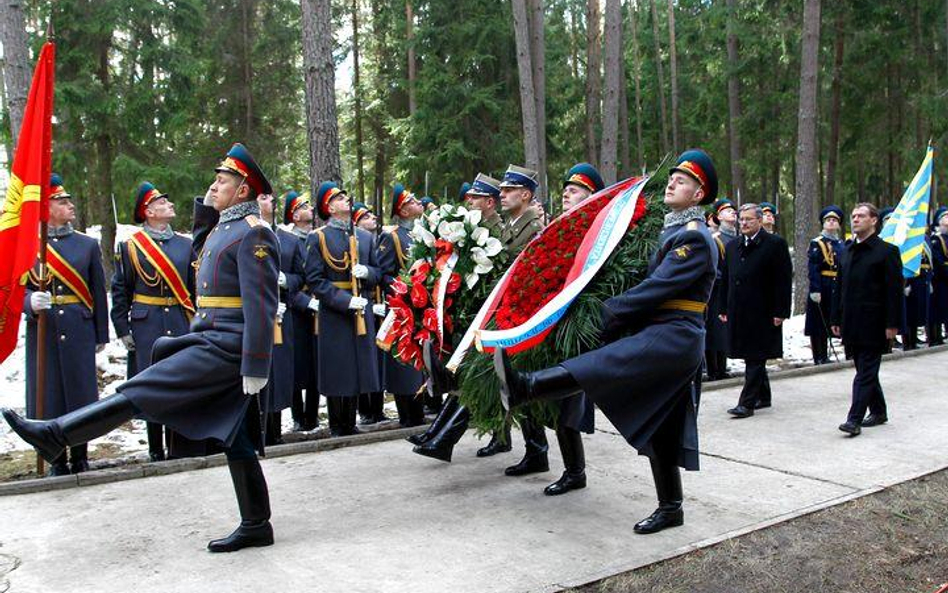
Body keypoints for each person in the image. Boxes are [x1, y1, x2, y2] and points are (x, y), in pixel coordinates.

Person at [4, 143, 280, 552]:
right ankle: (257, 523)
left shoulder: (254, 232)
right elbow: (198, 254)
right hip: (208, 337)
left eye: (222, 182)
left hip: (228, 345)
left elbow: (261, 304)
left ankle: (57, 434)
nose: (213, 186)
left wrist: (256, 364)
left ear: (242, 190)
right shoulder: (225, 228)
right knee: (236, 437)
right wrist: (206, 209)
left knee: (143, 388)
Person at [493, 149, 719, 534]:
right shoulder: (671, 230)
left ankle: (527, 387)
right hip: (660, 329)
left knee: (602, 365)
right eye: (671, 178)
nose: (671, 184)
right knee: (663, 424)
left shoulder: (694, 238)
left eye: (681, 181)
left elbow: (657, 287)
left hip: (676, 334)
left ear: (698, 195)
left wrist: (606, 313)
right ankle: (671, 507)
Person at [411, 173, 504, 461]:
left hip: (493, 313)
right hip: (474, 312)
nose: (470, 201)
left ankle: (444, 439)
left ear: (489, 202)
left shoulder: (495, 230)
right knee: (468, 374)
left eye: (476, 197)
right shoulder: (475, 227)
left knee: (478, 377)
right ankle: (438, 435)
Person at [20, 174, 109, 476]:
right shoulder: (27, 246)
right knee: (49, 396)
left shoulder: (87, 245)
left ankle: (80, 455)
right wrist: (29, 302)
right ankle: (56, 459)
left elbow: (97, 291)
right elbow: (12, 289)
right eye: (62, 201)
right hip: (42, 329)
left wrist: (101, 333)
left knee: (80, 394)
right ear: (45, 207)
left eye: (69, 200)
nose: (70, 205)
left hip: (79, 328)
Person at [111, 181, 203, 461]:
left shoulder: (185, 245)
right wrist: (123, 329)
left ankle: (180, 444)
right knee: (151, 385)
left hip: (180, 320)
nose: (170, 204)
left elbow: (194, 289)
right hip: (147, 324)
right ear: (148, 212)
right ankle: (155, 448)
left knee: (181, 383)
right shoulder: (130, 247)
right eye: (162, 202)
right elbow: (121, 291)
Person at [305, 182, 382, 437]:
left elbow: (378, 272)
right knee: (338, 368)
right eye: (338, 198)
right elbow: (315, 280)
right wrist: (344, 300)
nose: (345, 200)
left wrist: (367, 272)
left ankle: (351, 421)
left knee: (358, 366)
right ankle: (337, 424)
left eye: (344, 196)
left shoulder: (365, 237)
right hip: (335, 310)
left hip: (362, 305)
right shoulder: (318, 237)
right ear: (329, 207)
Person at [492, 164, 549, 475]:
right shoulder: (510, 225)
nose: (502, 194)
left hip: (524, 314)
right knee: (512, 381)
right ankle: (533, 449)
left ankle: (537, 451)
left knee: (524, 381)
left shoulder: (534, 226)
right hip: (508, 312)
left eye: (509, 190)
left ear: (525, 195)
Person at [831, 203, 903, 436]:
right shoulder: (847, 250)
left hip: (875, 322)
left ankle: (854, 420)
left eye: (861, 216)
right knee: (864, 369)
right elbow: (839, 288)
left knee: (865, 372)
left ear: (874, 220)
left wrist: (892, 324)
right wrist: (836, 317)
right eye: (853, 216)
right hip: (851, 321)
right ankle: (879, 411)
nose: (855, 219)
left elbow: (894, 291)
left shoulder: (887, 251)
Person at [719, 203, 792, 418]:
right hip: (739, 309)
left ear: (759, 221)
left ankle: (746, 403)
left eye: (748, 219)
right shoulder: (732, 246)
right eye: (741, 219)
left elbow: (783, 281)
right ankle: (764, 395)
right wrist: (723, 306)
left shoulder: (775, 244)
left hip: (763, 310)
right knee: (750, 354)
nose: (743, 223)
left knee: (756, 355)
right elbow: (726, 278)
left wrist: (781, 311)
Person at [257, 192, 306, 445]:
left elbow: (302, 276)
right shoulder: (245, 234)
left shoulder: (289, 239)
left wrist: (287, 280)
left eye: (270, 197)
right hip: (254, 314)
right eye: (263, 197)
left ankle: (274, 431)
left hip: (281, 313)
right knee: (259, 370)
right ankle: (258, 431)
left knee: (278, 371)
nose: (270, 201)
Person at [378, 185, 427, 427]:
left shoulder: (423, 233)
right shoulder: (393, 237)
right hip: (402, 307)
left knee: (420, 360)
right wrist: (404, 289)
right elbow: (384, 273)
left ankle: (419, 412)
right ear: (404, 211)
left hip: (422, 305)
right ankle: (407, 415)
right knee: (403, 361)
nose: (419, 203)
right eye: (412, 201)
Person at [283, 191, 320, 432]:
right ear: (294, 215)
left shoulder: (318, 238)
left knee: (316, 364)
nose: (310, 209)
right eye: (304, 207)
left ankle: (313, 416)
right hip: (297, 309)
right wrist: (304, 302)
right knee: (297, 365)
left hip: (320, 305)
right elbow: (288, 282)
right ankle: (298, 416)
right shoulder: (287, 242)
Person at [353, 201, 388, 425]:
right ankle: (364, 409)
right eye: (365, 217)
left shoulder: (375, 240)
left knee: (378, 359)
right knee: (364, 360)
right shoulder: (355, 242)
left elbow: (380, 273)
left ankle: (378, 408)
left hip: (377, 305)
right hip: (361, 304)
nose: (372, 218)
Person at [804, 206, 844, 365]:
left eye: (834, 220)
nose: (831, 222)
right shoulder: (817, 243)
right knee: (818, 323)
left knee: (830, 319)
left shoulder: (840, 244)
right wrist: (815, 289)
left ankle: (826, 354)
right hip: (823, 284)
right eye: (828, 220)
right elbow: (813, 268)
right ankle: (819, 356)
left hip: (836, 285)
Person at [704, 198, 737, 381]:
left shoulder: (738, 238)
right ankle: (714, 369)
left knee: (725, 330)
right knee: (715, 329)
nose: (733, 212)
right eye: (726, 210)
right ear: (718, 216)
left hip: (733, 289)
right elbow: (713, 266)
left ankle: (722, 367)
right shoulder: (716, 240)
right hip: (717, 290)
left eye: (733, 210)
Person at [928, 207, 948, 345]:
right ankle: (936, 337)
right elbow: (938, 261)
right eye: (945, 216)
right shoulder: (936, 239)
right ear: (939, 221)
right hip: (940, 280)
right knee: (938, 308)